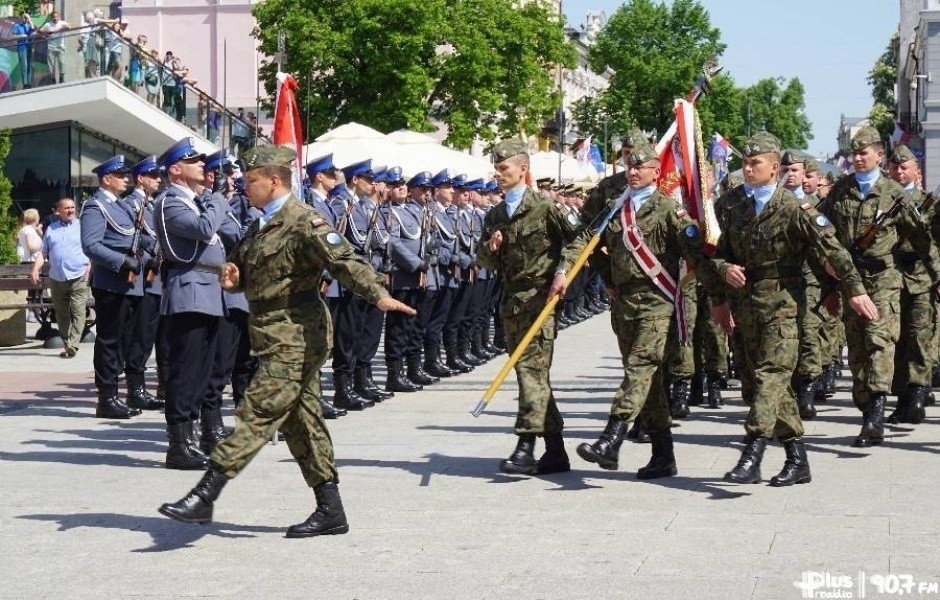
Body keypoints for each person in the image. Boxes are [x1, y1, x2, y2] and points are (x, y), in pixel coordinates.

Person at [158, 145, 416, 537]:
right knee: (302, 421)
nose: (245, 188)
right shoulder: (261, 222)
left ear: (274, 180)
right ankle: (330, 510)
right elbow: (245, 266)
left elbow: (343, 260)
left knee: (258, 411)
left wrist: (376, 293)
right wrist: (235, 277)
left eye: (251, 181)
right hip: (271, 331)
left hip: (298, 334)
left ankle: (204, 495)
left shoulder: (304, 220)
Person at [709, 132, 878, 486]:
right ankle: (797, 460)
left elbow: (832, 250)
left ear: (774, 169)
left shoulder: (794, 209)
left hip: (783, 307)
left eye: (756, 163)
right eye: (746, 162)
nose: (749, 168)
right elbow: (721, 252)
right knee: (761, 384)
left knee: (772, 376)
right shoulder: (734, 205)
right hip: (746, 308)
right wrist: (724, 276)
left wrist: (854, 290)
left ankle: (752, 454)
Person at [554, 138, 721, 477]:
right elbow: (587, 240)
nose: (632, 172)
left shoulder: (668, 211)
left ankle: (611, 438)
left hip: (657, 301)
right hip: (623, 302)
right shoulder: (615, 207)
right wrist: (564, 271)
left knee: (640, 369)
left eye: (640, 167)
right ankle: (663, 455)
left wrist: (719, 297)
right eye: (630, 166)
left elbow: (697, 257)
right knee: (651, 381)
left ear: (655, 172)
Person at [817, 127, 940, 448]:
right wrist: (827, 277)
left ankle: (875, 412)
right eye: (855, 153)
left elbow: (922, 241)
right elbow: (821, 236)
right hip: (850, 280)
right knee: (856, 350)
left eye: (864, 153)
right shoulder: (840, 192)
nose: (858, 158)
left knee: (879, 341)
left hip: (885, 279)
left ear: (878, 156)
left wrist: (937, 276)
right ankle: (865, 402)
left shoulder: (894, 194)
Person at [476, 139, 581, 475]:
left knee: (529, 373)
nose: (498, 174)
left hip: (541, 300)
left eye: (504, 169)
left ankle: (525, 445)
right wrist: (492, 248)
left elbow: (579, 238)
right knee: (533, 376)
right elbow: (482, 259)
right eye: (496, 169)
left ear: (523, 170)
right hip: (511, 302)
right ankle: (556, 451)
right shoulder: (495, 213)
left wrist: (563, 271)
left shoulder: (546, 207)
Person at [153, 138, 227, 470]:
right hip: (190, 291)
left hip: (209, 290)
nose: (202, 165)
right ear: (175, 169)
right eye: (193, 161)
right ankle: (178, 445)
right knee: (185, 371)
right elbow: (204, 228)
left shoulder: (195, 201)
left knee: (202, 370)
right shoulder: (171, 201)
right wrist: (216, 197)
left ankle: (192, 437)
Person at [79, 155, 144, 419]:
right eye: (121, 175)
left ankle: (116, 394)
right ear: (107, 179)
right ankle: (106, 397)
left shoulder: (122, 207)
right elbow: (91, 245)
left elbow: (133, 239)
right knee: (109, 341)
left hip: (128, 283)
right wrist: (122, 261)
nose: (126, 179)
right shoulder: (95, 206)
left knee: (124, 340)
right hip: (110, 282)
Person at [887, 144, 937, 424]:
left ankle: (918, 394)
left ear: (916, 171)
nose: (899, 171)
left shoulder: (928, 203)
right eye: (894, 167)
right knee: (896, 340)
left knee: (919, 338)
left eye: (904, 167)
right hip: (891, 280)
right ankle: (902, 398)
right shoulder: (882, 201)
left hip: (920, 277)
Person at [120, 155, 165, 411]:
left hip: (157, 279)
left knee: (150, 336)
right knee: (140, 336)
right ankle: (135, 390)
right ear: (141, 179)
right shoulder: (131, 205)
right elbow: (140, 240)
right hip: (143, 280)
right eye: (154, 176)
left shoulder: (151, 205)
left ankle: (143, 388)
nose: (159, 180)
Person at [30, 199, 90, 358]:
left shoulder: (83, 226)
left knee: (78, 310)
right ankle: (67, 343)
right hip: (57, 277)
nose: (70, 210)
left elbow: (92, 248)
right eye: (67, 208)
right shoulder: (51, 228)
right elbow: (43, 253)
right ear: (58, 211)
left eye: (72, 208)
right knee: (62, 314)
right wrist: (35, 269)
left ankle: (74, 344)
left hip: (79, 275)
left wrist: (91, 265)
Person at [39, 11, 70, 85]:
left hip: (60, 46)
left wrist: (57, 30)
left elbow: (69, 27)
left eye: (56, 17)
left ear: (59, 17)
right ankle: (53, 80)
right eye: (53, 17)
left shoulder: (62, 23)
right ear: (51, 17)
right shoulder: (48, 24)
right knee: (51, 66)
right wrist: (45, 33)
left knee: (61, 63)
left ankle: (61, 79)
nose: (55, 18)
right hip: (51, 46)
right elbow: (40, 31)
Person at [11, 13, 35, 89]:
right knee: (24, 66)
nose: (24, 19)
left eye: (26, 18)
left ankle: (28, 82)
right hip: (22, 47)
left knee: (29, 65)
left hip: (29, 47)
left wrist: (29, 18)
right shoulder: (17, 26)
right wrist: (20, 36)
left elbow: (33, 28)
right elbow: (13, 36)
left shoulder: (29, 26)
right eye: (23, 18)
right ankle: (25, 83)